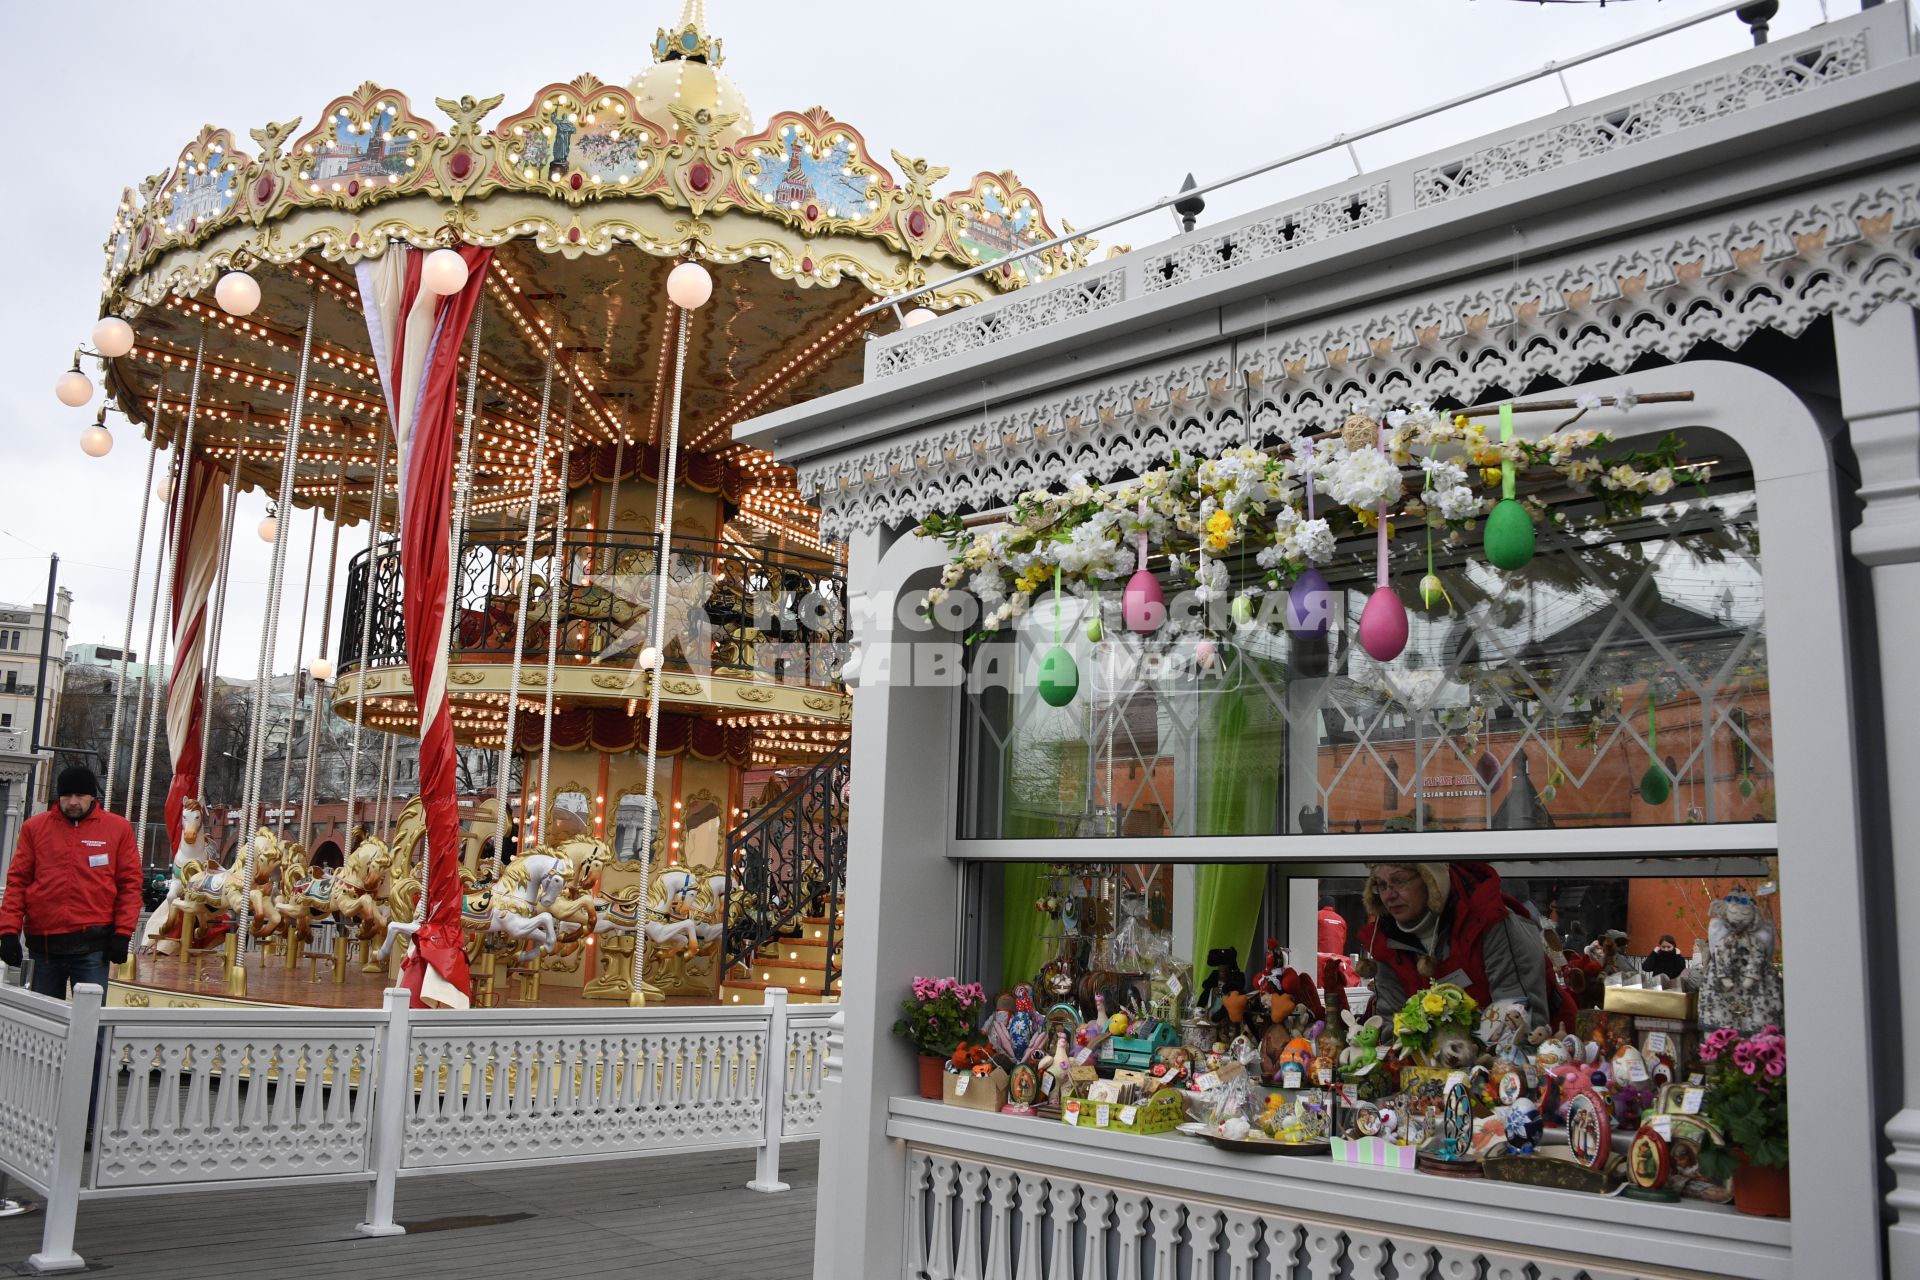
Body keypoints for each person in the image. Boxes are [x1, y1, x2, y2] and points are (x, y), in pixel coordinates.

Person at [1359, 861, 1572, 1031]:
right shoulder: (1385, 942)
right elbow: (1392, 1025)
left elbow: (1519, 1019)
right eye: (1382, 885)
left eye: (1399, 881)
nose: (1389, 895)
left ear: (1430, 879)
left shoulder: (1490, 922)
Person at [0, 765, 141, 998]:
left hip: (93, 946)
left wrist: (122, 933)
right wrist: (8, 932)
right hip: (44, 945)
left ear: (92, 797)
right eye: (67, 796)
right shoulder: (35, 828)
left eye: (80, 796)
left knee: (90, 1019)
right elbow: (18, 883)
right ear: (59, 796)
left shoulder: (118, 829)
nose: (73, 802)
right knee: (44, 1021)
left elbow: (130, 885)